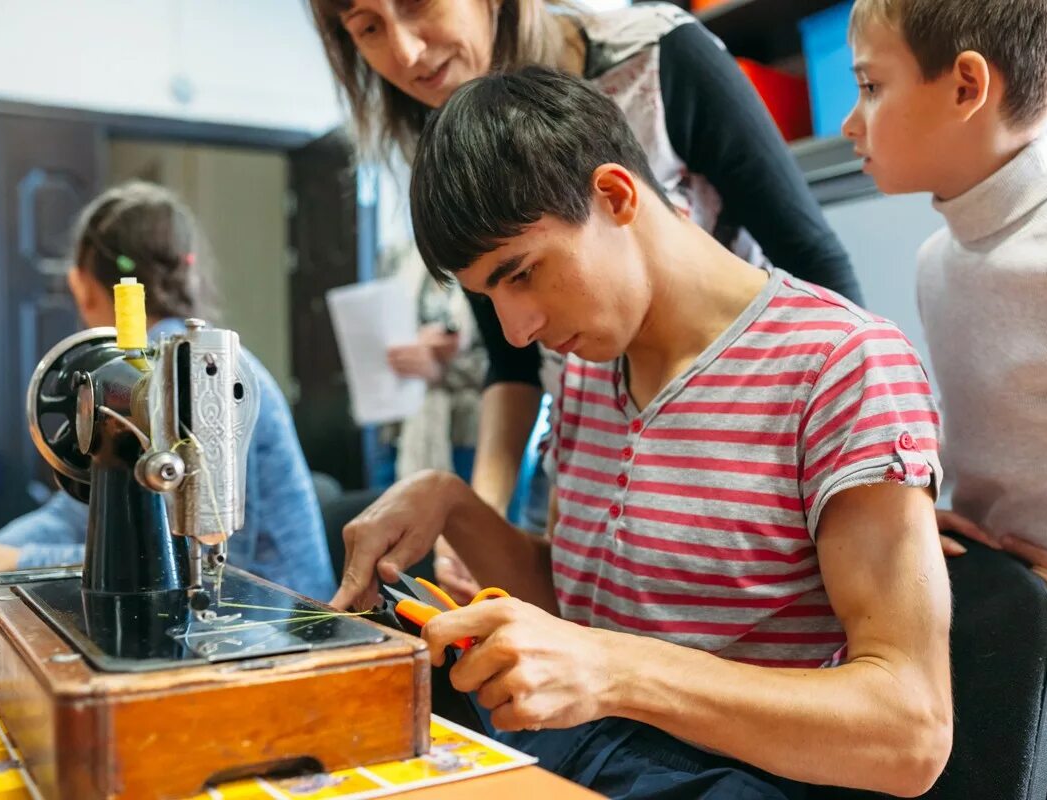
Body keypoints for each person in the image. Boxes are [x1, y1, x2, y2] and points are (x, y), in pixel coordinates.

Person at [333, 67, 953, 798]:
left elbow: (909, 732)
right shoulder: (592, 370)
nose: (517, 327)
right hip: (585, 759)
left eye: (523, 273)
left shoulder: (842, 365)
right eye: (489, 297)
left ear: (617, 195)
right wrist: (454, 505)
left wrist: (616, 670)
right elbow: (580, 608)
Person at [309, 0, 865, 600]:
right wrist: (476, 512)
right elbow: (513, 361)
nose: (407, 52)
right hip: (589, 442)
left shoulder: (656, 59)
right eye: (367, 29)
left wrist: (862, 477)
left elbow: (813, 258)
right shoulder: (582, 382)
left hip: (742, 440)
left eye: (418, 4)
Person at [842, 1, 1047, 795]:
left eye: (872, 87)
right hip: (1005, 620)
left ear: (966, 87)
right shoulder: (936, 260)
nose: (852, 122)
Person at [0, 182, 337, 602]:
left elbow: (203, 556)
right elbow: (78, 510)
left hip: (282, 619)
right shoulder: (130, 378)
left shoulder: (198, 375)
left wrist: (11, 561)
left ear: (80, 286)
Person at [382, 241, 488, 484]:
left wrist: (442, 368)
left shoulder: (485, 255)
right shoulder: (398, 257)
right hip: (403, 425)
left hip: (471, 431)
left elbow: (511, 365)